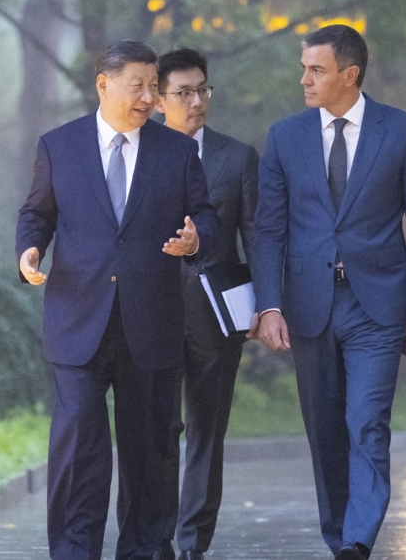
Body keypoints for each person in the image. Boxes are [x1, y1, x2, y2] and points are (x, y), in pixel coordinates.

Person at [16, 40, 218, 560]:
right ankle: (74, 552)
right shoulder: (58, 146)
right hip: (78, 319)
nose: (151, 97)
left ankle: (145, 550)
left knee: (148, 452)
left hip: (151, 325)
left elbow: (207, 215)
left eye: (155, 86)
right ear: (103, 85)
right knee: (79, 448)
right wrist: (30, 250)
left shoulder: (176, 150)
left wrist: (197, 239)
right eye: (140, 86)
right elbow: (37, 213)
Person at [251, 25, 406, 560]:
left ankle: (359, 537)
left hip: (377, 307)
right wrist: (269, 305)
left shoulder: (402, 132)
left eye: (317, 70)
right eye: (304, 68)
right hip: (309, 305)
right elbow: (269, 229)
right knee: (326, 430)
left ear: (349, 75)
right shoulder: (285, 137)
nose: (304, 79)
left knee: (367, 421)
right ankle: (339, 539)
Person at [152, 49, 258, 560]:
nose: (196, 102)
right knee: (155, 430)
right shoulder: (138, 155)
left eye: (202, 91)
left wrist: (267, 305)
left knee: (205, 434)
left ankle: (191, 544)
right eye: (184, 93)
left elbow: (256, 237)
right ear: (157, 100)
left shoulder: (236, 158)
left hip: (216, 316)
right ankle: (156, 539)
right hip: (149, 314)